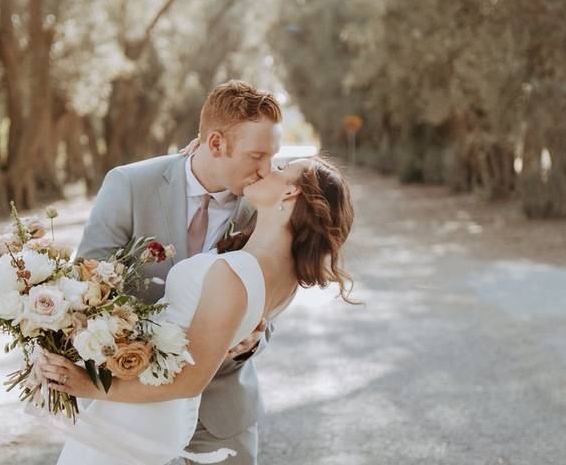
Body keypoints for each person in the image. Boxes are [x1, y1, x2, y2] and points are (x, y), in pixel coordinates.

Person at [40, 154, 355, 464]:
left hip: (143, 415)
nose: (267, 168)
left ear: (290, 191)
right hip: (143, 408)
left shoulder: (236, 271)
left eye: (282, 168)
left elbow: (189, 381)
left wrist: (88, 385)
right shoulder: (283, 275)